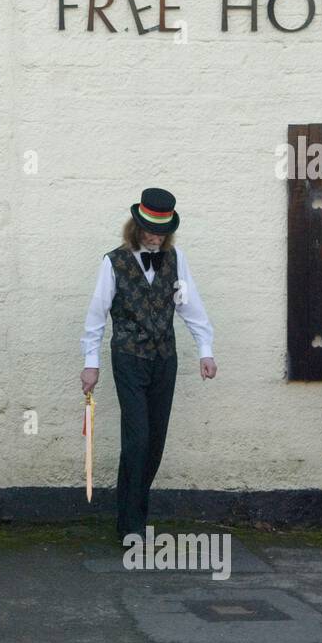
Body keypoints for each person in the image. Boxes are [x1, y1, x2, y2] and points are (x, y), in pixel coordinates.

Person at [80, 188, 216, 542]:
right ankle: (132, 524)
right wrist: (90, 363)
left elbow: (190, 306)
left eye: (162, 232)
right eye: (150, 231)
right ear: (136, 228)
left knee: (155, 441)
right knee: (137, 439)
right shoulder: (113, 262)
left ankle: (130, 513)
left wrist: (205, 349)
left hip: (164, 360)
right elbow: (96, 315)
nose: (156, 238)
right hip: (127, 358)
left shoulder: (176, 259)